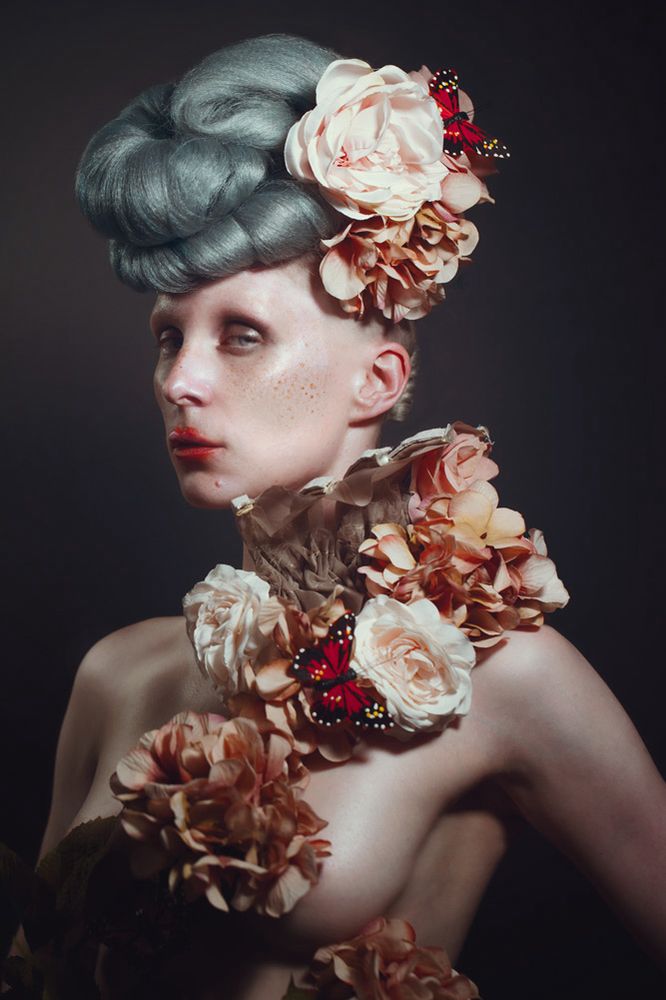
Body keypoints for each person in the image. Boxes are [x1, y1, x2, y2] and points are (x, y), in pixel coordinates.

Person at [22, 31, 666, 1000]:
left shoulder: (501, 677)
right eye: (168, 337)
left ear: (380, 376)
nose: (181, 381)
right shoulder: (118, 669)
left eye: (242, 334)